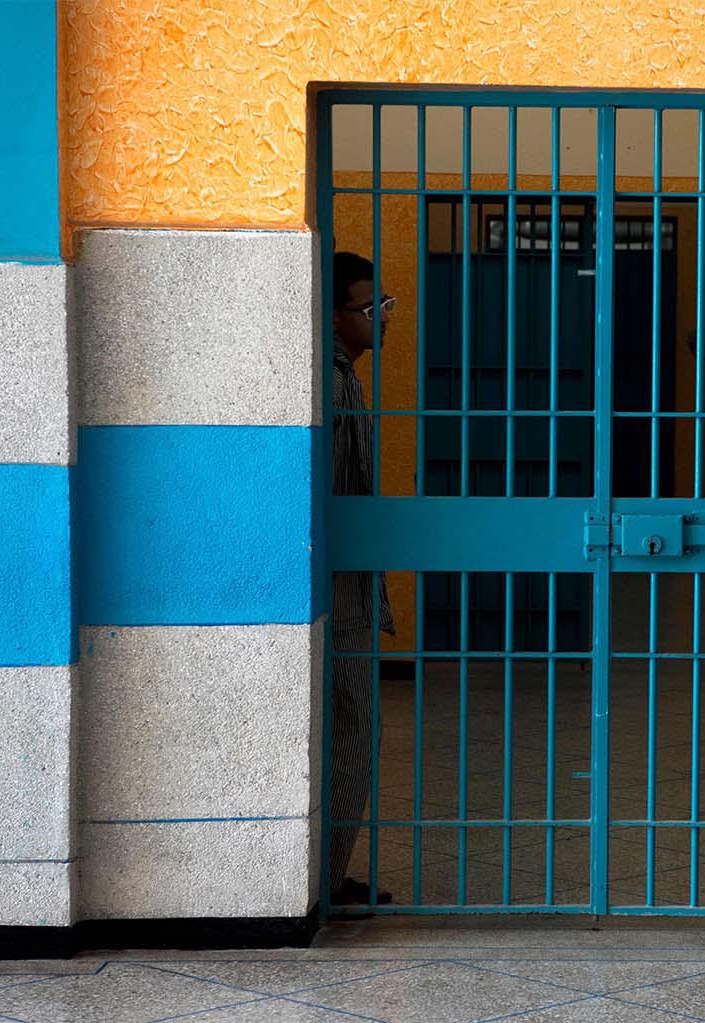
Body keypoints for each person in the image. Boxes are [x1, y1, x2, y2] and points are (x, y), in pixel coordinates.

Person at [329, 251, 397, 907]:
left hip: (347, 587)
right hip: (337, 590)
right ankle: (323, 882)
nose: (382, 318)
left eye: (386, 305)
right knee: (350, 737)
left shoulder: (345, 376)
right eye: (368, 306)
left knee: (346, 735)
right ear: (333, 314)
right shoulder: (327, 380)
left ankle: (324, 877)